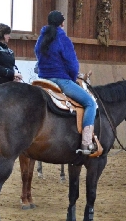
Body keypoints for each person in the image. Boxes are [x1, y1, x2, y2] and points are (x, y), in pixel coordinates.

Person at [35, 10, 97, 155]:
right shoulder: (63, 39)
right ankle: (86, 143)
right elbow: (72, 64)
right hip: (61, 80)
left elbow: (38, 57)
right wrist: (73, 77)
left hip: (42, 80)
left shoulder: (41, 39)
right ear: (62, 23)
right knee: (90, 103)